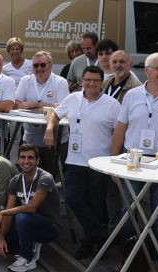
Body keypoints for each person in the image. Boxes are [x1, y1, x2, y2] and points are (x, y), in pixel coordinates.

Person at [110, 52, 158, 272]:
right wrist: (113, 162)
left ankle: (155, 261)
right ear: (147, 70)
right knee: (128, 211)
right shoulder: (132, 95)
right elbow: (120, 129)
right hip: (132, 158)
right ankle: (127, 259)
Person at [45, 64, 120, 258]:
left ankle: (90, 244)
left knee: (96, 205)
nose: (91, 83)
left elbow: (120, 132)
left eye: (96, 80)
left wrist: (115, 159)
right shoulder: (72, 98)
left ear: (102, 82)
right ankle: (101, 235)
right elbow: (55, 114)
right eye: (88, 80)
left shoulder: (112, 105)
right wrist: (50, 129)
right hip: (74, 161)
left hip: (100, 163)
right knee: (73, 198)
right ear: (81, 81)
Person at [0, 144, 60, 272]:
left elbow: (32, 207)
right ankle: (26, 244)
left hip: (48, 226)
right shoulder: (15, 181)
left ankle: (27, 258)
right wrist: (1, 238)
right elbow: (9, 213)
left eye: (30, 158)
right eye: (22, 157)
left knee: (22, 216)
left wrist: (3, 212)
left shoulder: (45, 178)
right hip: (24, 223)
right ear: (17, 160)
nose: (26, 161)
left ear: (37, 161)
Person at [14, 50, 70, 162]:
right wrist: (49, 106)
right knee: (28, 169)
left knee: (53, 172)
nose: (39, 68)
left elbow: (63, 108)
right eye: (36, 65)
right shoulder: (25, 81)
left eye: (43, 65)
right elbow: (16, 104)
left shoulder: (60, 82)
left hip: (56, 138)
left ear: (51, 65)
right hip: (31, 138)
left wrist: (34, 104)